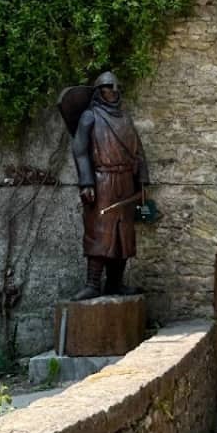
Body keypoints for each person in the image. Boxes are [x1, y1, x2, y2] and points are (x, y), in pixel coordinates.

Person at [69, 71, 149, 300]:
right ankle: (93, 283)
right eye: (108, 86)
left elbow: (138, 151)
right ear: (99, 91)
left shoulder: (125, 119)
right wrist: (86, 182)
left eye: (116, 87)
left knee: (124, 234)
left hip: (125, 182)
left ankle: (115, 283)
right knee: (99, 232)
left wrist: (142, 180)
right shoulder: (90, 117)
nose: (113, 90)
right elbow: (80, 151)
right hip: (102, 182)